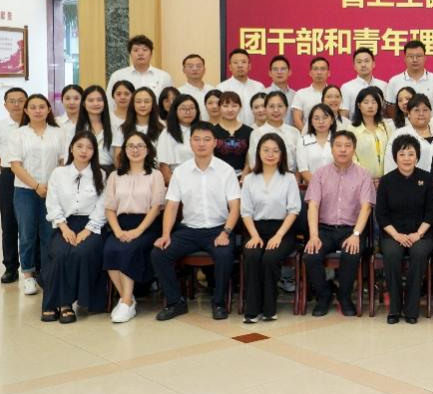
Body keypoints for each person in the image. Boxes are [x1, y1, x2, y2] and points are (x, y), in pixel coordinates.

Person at [151, 122, 241, 321]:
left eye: (206, 139)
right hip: (189, 230)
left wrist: (226, 232)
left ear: (215, 143)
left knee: (224, 255)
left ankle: (219, 303)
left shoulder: (226, 171)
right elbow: (172, 206)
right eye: (197, 139)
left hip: (218, 229)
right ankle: (175, 302)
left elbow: (235, 207)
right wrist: (165, 235)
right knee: (159, 254)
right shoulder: (181, 172)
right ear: (190, 142)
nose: (201, 144)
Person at [302, 130, 375, 316]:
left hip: (351, 229)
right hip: (324, 229)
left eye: (347, 146)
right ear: (332, 148)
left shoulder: (363, 175)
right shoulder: (319, 174)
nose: (343, 150)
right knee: (311, 255)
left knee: (351, 253)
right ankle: (324, 294)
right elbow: (313, 206)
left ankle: (344, 296)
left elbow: (366, 207)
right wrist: (313, 236)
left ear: (354, 149)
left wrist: (356, 235)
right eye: (338, 145)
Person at [40, 131, 108, 323]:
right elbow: (52, 203)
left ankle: (66, 303)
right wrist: (64, 227)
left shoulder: (101, 174)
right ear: (71, 149)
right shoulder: (59, 173)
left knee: (81, 252)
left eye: (89, 148)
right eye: (79, 146)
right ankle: (58, 304)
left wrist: (88, 230)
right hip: (65, 223)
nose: (84, 151)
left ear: (94, 152)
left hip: (91, 225)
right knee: (60, 253)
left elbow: (102, 206)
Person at [6, 94, 67, 295]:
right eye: (33, 107)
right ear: (26, 110)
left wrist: (51, 185)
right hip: (25, 191)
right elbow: (15, 165)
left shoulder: (58, 133)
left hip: (52, 190)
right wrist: (36, 186)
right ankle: (28, 275)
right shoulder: (18, 134)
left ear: (49, 109)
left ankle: (47, 273)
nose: (37, 110)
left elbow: (63, 162)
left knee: (49, 233)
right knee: (27, 233)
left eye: (42, 106)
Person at [103, 131, 165, 323]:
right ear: (124, 150)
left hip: (147, 225)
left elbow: (156, 208)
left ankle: (126, 302)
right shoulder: (115, 176)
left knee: (128, 249)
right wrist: (117, 231)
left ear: (148, 150)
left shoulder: (155, 175)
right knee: (109, 250)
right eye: (131, 146)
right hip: (120, 224)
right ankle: (127, 300)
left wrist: (138, 231)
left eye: (140, 146)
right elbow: (109, 208)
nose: (135, 150)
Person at [240, 133, 301, 323]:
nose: (270, 154)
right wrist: (254, 236)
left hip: (282, 230)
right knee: (252, 256)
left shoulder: (289, 178)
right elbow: (245, 212)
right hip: (254, 229)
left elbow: (294, 210)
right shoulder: (249, 179)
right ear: (258, 152)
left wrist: (278, 236)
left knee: (270, 258)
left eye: (275, 150)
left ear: (282, 154)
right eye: (266, 150)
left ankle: (269, 308)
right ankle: (252, 310)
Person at [376, 135, 433, 324]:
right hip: (393, 234)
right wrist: (397, 235)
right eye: (402, 154)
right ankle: (394, 308)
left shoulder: (427, 179)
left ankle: (411, 309)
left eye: (411, 154)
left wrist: (418, 234)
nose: (407, 158)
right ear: (395, 157)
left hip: (422, 234)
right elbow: (381, 214)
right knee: (392, 254)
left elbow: (431, 212)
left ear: (417, 157)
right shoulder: (386, 181)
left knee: (418, 254)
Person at [0, 87, 27, 284]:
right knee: (9, 223)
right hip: (8, 177)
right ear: (5, 105)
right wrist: (8, 172)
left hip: (32, 178)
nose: (16, 104)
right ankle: (11, 267)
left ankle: (35, 266)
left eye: (21, 100)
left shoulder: (34, 123)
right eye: (12, 101)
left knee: (31, 223)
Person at [105, 35, 173, 108]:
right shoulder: (118, 76)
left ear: (151, 54)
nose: (140, 53)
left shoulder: (164, 77)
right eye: (136, 50)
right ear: (130, 54)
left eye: (145, 50)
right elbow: (110, 103)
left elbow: (170, 104)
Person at [246, 91, 301, 173]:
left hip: (290, 177)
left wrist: (295, 177)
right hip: (264, 176)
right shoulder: (256, 133)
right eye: (271, 106)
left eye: (280, 106)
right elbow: (253, 163)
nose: (276, 110)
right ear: (265, 109)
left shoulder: (295, 132)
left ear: (286, 109)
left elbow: (300, 162)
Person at [349, 86, 395, 181]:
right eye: (366, 102)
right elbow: (351, 156)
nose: (370, 106)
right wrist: (366, 177)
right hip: (362, 180)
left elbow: (392, 150)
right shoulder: (352, 129)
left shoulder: (385, 126)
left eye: (374, 102)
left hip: (386, 179)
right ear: (359, 105)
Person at [112, 87, 164, 163]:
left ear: (153, 104)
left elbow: (164, 159)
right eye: (138, 102)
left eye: (147, 102)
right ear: (133, 104)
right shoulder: (122, 129)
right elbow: (118, 160)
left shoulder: (162, 129)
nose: (142, 105)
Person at [386, 39, 433, 109]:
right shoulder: (394, 81)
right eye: (410, 56)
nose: (415, 60)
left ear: (425, 58)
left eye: (418, 56)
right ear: (405, 59)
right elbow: (390, 109)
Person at [157, 94, 200, 183]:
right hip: (177, 180)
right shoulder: (167, 133)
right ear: (175, 111)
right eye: (183, 109)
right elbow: (164, 166)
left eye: (192, 108)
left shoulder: (202, 130)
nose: (188, 112)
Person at [217, 48, 266, 125]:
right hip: (231, 129)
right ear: (230, 67)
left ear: (249, 66)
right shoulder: (221, 88)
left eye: (243, 62)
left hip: (256, 129)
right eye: (235, 62)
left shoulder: (259, 87)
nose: (240, 65)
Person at [212, 92, 253, 174]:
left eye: (234, 106)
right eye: (225, 106)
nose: (230, 110)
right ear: (219, 108)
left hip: (243, 176)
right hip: (218, 175)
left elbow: (250, 159)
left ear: (240, 108)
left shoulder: (249, 131)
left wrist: (244, 175)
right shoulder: (212, 131)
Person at [341, 48, 387, 117]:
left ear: (373, 64)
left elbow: (386, 112)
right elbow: (344, 114)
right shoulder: (346, 87)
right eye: (359, 62)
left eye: (367, 61)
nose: (363, 65)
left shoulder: (383, 85)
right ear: (354, 66)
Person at [297, 103, 337, 184]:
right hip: (311, 187)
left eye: (325, 117)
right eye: (316, 118)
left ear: (332, 120)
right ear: (311, 121)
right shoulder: (303, 141)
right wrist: (319, 185)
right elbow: (303, 169)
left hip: (337, 186)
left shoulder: (339, 140)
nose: (321, 122)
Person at [290, 56, 330, 129]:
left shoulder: (334, 94)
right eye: (315, 69)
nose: (319, 72)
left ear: (328, 73)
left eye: (323, 69)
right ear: (310, 73)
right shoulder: (301, 94)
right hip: (307, 134)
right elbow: (297, 119)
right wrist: (307, 134)